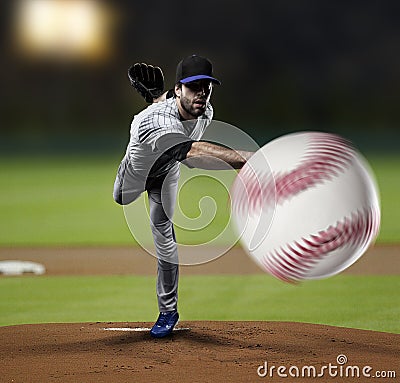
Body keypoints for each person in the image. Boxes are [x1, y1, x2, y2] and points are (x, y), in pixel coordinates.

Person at [113, 55, 252, 338]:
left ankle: (168, 311)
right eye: (193, 87)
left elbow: (185, 147)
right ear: (178, 89)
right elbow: (193, 155)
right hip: (137, 171)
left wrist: (157, 97)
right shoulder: (153, 121)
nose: (201, 92)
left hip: (166, 171)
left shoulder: (205, 109)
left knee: (165, 241)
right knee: (121, 198)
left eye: (206, 86)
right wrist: (248, 159)